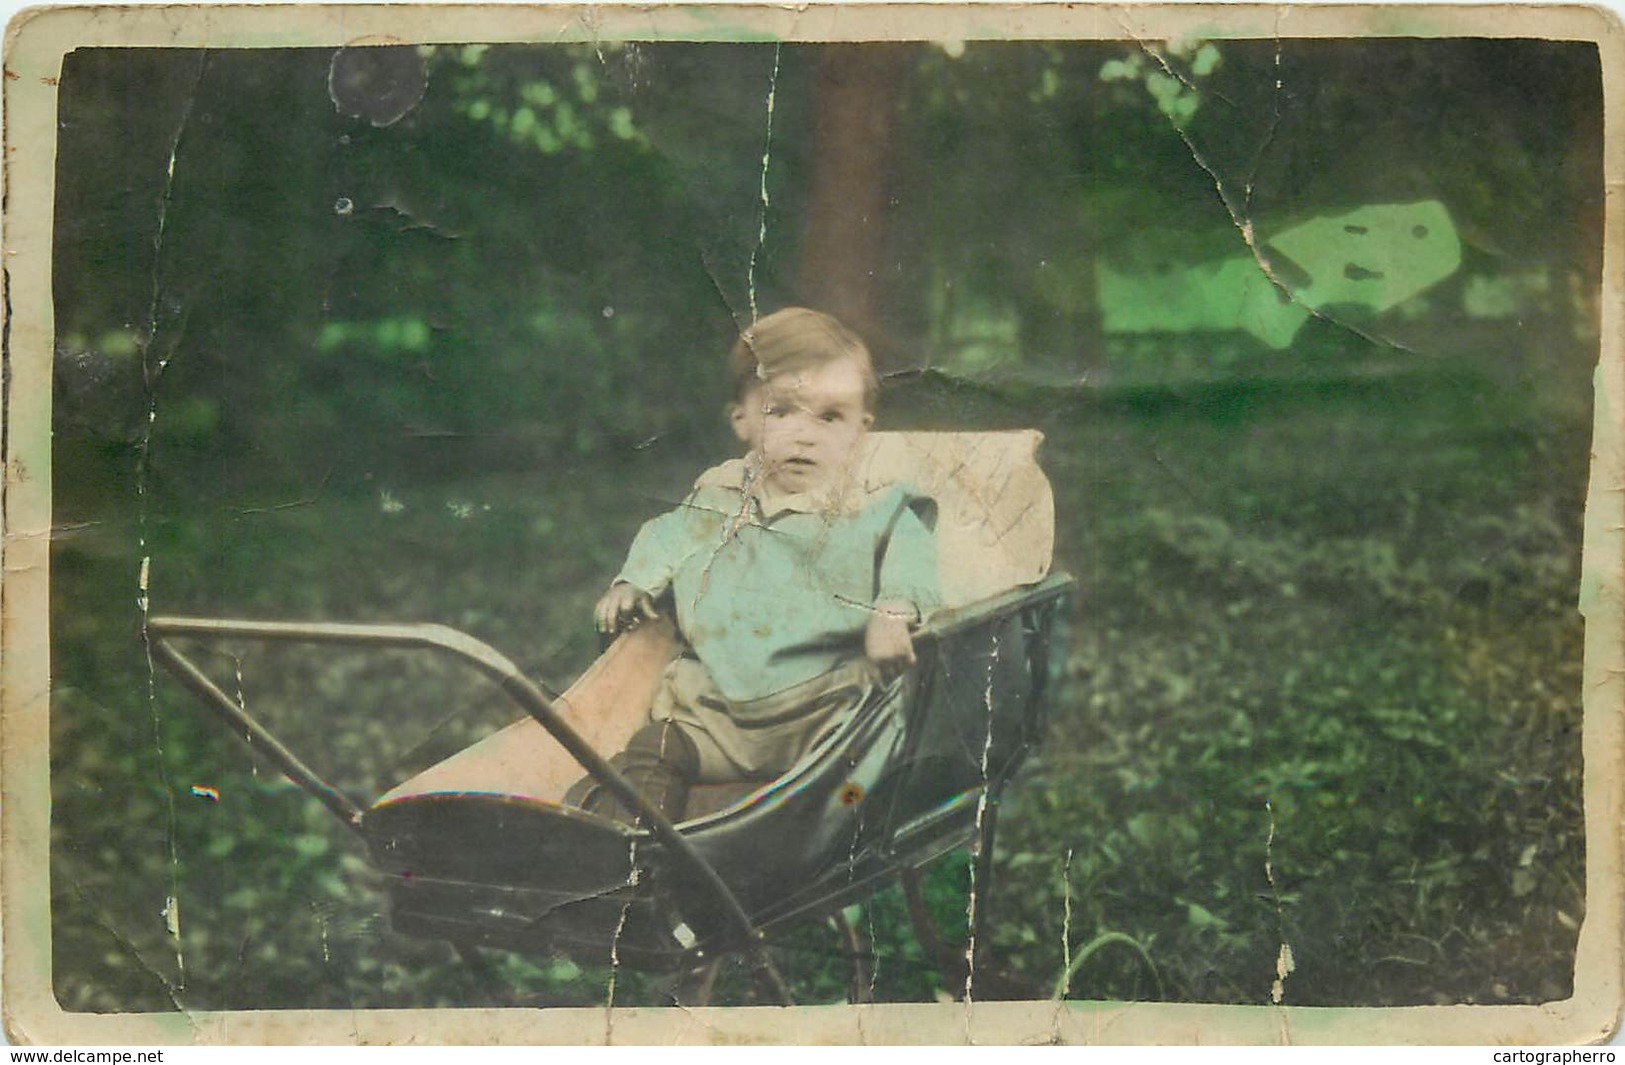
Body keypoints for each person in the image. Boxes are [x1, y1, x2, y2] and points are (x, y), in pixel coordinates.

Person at [568, 307, 939, 824]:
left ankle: (824, 839)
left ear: (861, 429)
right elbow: (667, 537)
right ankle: (633, 854)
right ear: (742, 419)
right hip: (716, 713)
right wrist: (634, 581)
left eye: (830, 417)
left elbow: (913, 559)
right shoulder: (720, 494)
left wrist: (893, 612)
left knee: (857, 770)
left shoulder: (875, 507)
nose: (804, 435)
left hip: (823, 712)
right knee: (653, 748)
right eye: (781, 412)